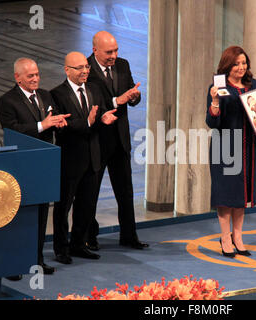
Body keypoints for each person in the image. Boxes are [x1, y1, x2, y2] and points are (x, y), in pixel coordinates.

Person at [0, 57, 70, 276]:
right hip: (20, 165)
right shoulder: (7, 101)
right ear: (17, 77)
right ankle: (13, 264)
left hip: (43, 165)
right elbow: (12, 130)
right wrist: (42, 125)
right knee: (17, 217)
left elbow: (53, 123)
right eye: (30, 76)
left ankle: (36, 260)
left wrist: (60, 124)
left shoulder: (46, 96)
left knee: (40, 215)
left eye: (37, 74)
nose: (36, 79)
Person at [206, 46, 256, 258]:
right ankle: (225, 237)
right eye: (236, 63)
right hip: (225, 148)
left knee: (242, 194)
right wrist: (214, 101)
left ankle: (238, 237)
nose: (241, 67)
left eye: (244, 63)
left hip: (248, 146)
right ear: (227, 65)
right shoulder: (217, 86)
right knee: (226, 195)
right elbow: (212, 122)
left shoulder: (252, 84)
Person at [50, 51, 117, 264]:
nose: (85, 71)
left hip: (93, 158)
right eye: (79, 68)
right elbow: (62, 127)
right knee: (63, 207)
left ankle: (79, 244)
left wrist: (104, 117)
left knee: (86, 205)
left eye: (86, 67)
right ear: (67, 69)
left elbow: (100, 114)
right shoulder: (56, 95)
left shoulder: (95, 89)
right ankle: (61, 249)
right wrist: (87, 122)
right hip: (70, 160)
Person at [86, 31, 148, 250]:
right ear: (95, 51)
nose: (114, 55)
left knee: (125, 191)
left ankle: (129, 236)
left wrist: (134, 96)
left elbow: (130, 94)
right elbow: (90, 103)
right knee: (90, 192)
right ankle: (88, 237)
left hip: (120, 140)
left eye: (116, 50)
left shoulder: (123, 65)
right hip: (97, 141)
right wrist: (116, 100)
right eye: (109, 52)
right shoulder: (86, 70)